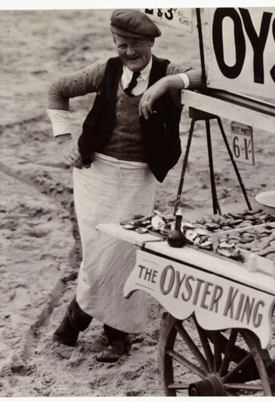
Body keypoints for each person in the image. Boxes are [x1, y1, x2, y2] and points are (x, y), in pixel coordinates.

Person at [47, 9, 201, 362]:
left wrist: (165, 84)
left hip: (137, 177)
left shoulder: (167, 71)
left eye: (135, 45)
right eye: (121, 45)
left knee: (121, 253)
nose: (128, 52)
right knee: (98, 252)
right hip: (93, 173)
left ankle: (79, 321)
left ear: (150, 42)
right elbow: (57, 90)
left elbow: (204, 75)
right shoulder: (106, 70)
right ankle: (114, 335)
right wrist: (63, 139)